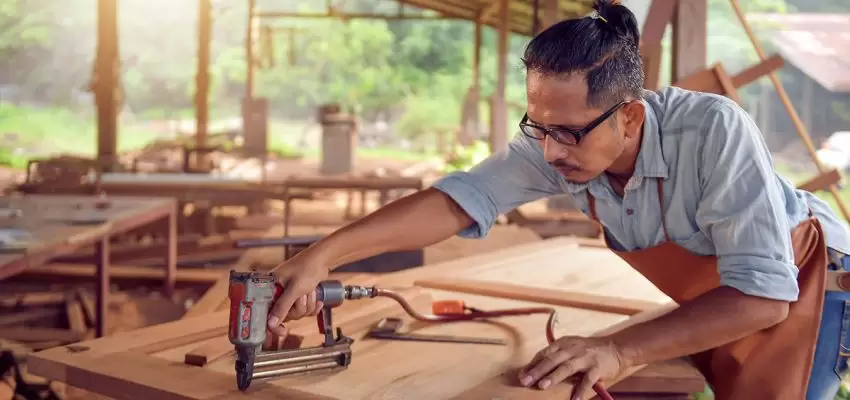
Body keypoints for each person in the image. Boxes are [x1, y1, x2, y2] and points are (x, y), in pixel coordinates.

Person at [264, 1, 850, 399]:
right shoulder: (556, 138)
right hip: (725, 293)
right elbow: (459, 200)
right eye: (537, 126)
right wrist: (324, 255)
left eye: (568, 133)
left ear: (629, 116)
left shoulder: (714, 131)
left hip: (808, 284)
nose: (549, 153)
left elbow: (765, 298)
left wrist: (617, 351)